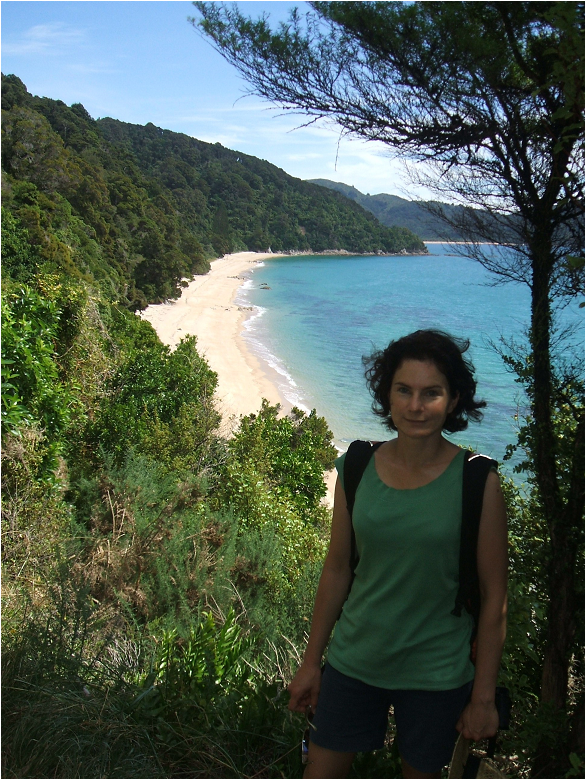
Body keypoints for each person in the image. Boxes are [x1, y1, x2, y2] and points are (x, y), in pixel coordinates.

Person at [288, 330, 508, 779]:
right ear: (386, 394)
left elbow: (494, 599)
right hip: (354, 660)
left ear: (453, 400)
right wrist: (312, 663)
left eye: (432, 393)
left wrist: (483, 697)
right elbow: (336, 571)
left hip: (437, 675)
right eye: (403, 390)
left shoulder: (477, 481)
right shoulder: (357, 466)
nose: (415, 406)